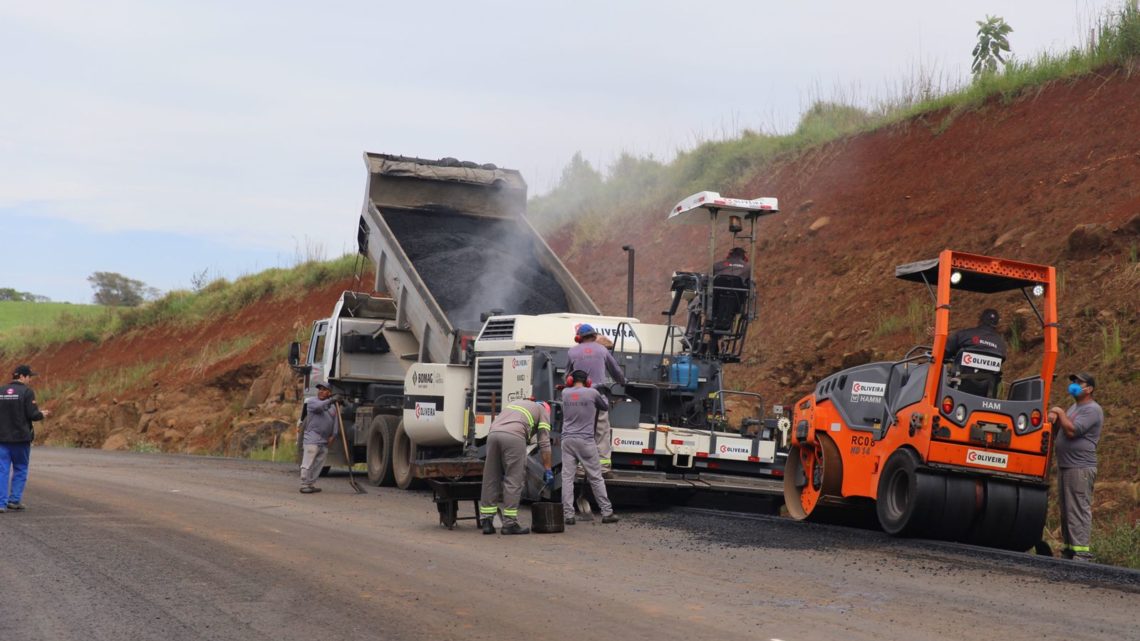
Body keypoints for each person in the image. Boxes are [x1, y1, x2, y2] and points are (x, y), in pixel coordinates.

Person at [1049, 372, 1103, 562]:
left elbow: (1073, 431)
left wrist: (1060, 412)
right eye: (1073, 381)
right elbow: (1062, 430)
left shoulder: (1092, 410)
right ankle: (1069, 550)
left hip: (1080, 467)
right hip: (1067, 466)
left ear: (1089, 389)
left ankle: (1081, 554)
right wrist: (1055, 418)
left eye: (1079, 382)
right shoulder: (1075, 407)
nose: (1074, 384)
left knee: (1078, 508)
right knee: (1066, 510)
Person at [478, 399, 554, 535]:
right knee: (514, 479)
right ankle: (509, 523)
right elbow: (544, 442)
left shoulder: (518, 403)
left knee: (491, 477)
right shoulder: (543, 411)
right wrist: (548, 469)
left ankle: (487, 522)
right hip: (514, 437)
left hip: (493, 434)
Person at [567, 324, 627, 476]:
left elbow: (567, 377)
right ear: (594, 336)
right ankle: (604, 468)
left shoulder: (572, 351)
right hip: (598, 395)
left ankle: (581, 468)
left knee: (581, 431)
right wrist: (623, 381)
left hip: (579, 397)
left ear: (578, 338)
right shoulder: (602, 350)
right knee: (601, 431)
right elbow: (616, 371)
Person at [559, 370, 618, 525]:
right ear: (588, 381)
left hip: (567, 440)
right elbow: (604, 407)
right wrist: (602, 392)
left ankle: (568, 515)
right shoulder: (592, 393)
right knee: (596, 478)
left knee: (567, 478)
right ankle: (607, 512)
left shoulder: (565, 393)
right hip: (585, 441)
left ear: (571, 380)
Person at [0, 365, 47, 513]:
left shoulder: (1, 391)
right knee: (20, 468)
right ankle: (14, 500)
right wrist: (42, 414)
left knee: (2, 470)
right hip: (21, 439)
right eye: (29, 377)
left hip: (2, 438)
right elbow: (33, 415)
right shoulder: (27, 392)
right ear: (22, 377)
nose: (29, 380)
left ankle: (1, 504)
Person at [943, 308, 1007, 397]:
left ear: (980, 320)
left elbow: (944, 352)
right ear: (996, 324)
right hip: (987, 393)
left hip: (959, 387)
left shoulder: (964, 335)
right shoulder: (1001, 345)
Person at [299, 383, 339, 494]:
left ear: (329, 393)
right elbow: (319, 407)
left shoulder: (333, 407)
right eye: (320, 389)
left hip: (324, 440)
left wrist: (334, 435)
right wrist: (331, 400)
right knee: (308, 461)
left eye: (324, 390)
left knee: (318, 464)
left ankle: (310, 484)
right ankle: (304, 484)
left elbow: (335, 422)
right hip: (312, 437)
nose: (321, 391)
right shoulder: (312, 402)